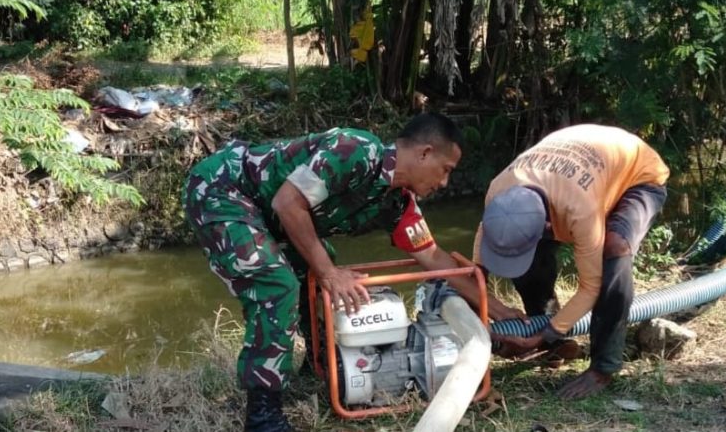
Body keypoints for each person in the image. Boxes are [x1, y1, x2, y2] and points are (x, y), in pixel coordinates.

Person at [183, 112, 518, 432]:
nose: (444, 182)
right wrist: (329, 273)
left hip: (271, 213)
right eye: (445, 170)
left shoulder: (399, 203)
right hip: (224, 189)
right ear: (424, 153)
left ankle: (317, 366)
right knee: (278, 283)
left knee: (316, 270)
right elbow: (288, 203)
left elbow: (433, 258)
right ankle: (263, 415)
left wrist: (501, 314)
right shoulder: (356, 151)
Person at [474, 124, 670, 400]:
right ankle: (554, 339)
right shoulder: (498, 194)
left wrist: (543, 335)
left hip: (636, 176)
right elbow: (477, 269)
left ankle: (604, 366)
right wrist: (483, 313)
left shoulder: (579, 210)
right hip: (571, 173)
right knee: (524, 257)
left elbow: (591, 286)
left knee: (614, 250)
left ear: (547, 223)